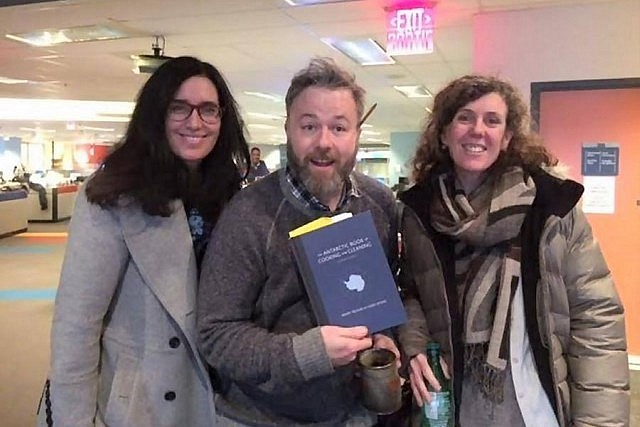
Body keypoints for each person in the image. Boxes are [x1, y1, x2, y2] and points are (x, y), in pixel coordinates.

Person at [395, 74, 630, 426]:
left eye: (492, 120)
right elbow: (412, 295)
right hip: (456, 403)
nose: (478, 130)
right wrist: (415, 348)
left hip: (533, 403)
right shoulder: (420, 214)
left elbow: (596, 319)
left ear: (506, 138)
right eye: (464, 117)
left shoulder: (551, 209)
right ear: (443, 134)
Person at [43, 56, 250, 426]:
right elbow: (77, 324)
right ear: (156, 115)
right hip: (140, 402)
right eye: (179, 109)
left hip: (217, 395)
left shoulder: (230, 194)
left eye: (208, 110)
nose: (195, 122)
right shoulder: (113, 194)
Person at [197, 57, 400, 426]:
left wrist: (383, 336)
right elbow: (216, 335)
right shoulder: (248, 214)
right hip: (260, 418)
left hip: (353, 414)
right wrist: (307, 353)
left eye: (339, 127)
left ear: (357, 133)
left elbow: (379, 294)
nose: (324, 142)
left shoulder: (379, 204)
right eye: (309, 126)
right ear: (288, 129)